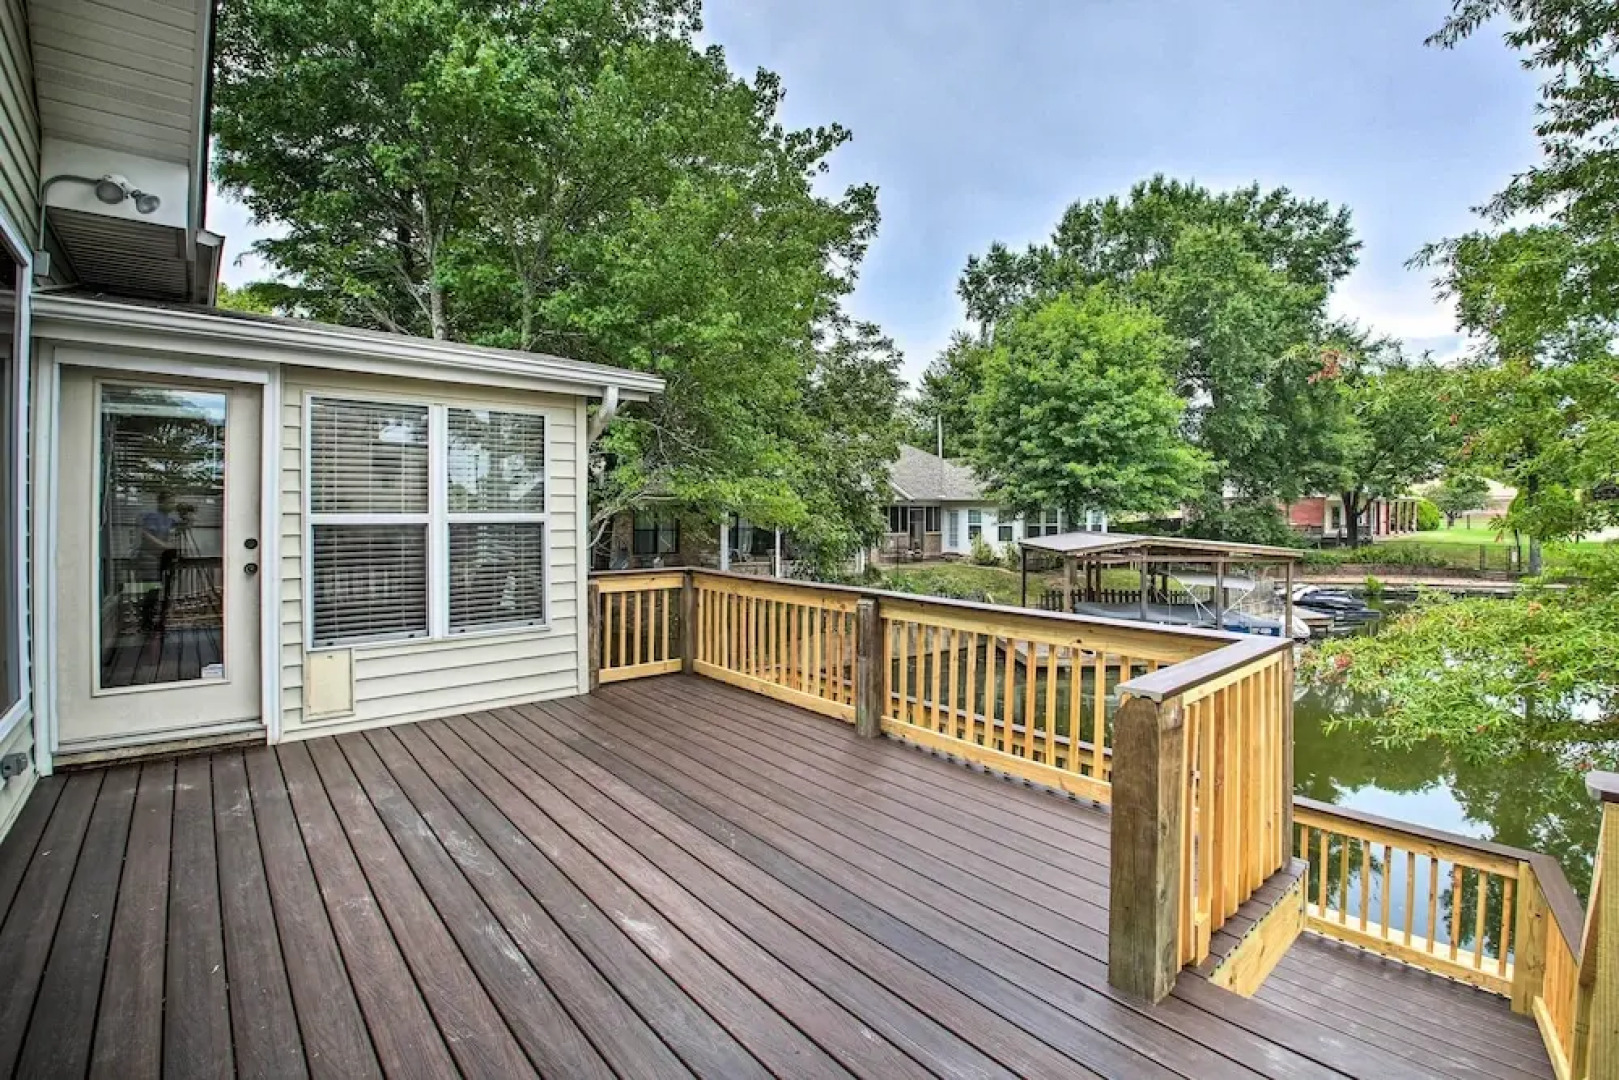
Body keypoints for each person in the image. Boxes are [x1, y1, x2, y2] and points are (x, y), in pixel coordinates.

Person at [137, 492, 181, 630]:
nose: (172, 505)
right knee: (152, 590)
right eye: (170, 502)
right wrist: (164, 546)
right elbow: (145, 534)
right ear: (161, 502)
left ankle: (158, 621)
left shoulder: (170, 520)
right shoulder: (152, 516)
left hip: (163, 559)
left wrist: (190, 518)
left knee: (163, 589)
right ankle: (146, 623)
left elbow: (180, 529)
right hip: (150, 557)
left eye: (174, 502)